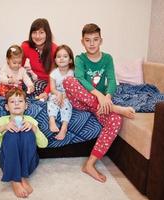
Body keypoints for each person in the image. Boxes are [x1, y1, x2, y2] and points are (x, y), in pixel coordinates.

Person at [63, 23, 135, 183]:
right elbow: (80, 79)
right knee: (69, 81)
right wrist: (100, 97)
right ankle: (115, 108)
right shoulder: (80, 59)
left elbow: (112, 80)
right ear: (82, 42)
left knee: (116, 119)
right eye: (88, 40)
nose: (92, 43)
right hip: (82, 101)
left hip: (102, 105)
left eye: (95, 40)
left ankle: (90, 164)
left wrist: (107, 97)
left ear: (101, 40)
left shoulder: (108, 58)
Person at [0, 88, 48, 198]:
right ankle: (15, 179)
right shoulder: (1, 121)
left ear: (26, 105)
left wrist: (33, 128)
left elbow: (44, 144)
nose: (16, 104)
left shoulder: (30, 120)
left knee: (27, 132)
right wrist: (3, 128)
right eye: (12, 101)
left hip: (29, 161)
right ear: (7, 107)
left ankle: (23, 176)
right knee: (11, 134)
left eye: (20, 101)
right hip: (8, 162)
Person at [21, 18, 58, 100]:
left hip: (49, 82)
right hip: (31, 78)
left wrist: (46, 92)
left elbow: (54, 76)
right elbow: (19, 67)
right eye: (34, 32)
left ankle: (30, 98)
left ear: (47, 34)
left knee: (37, 86)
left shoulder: (54, 49)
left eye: (41, 32)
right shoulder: (25, 46)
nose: (37, 36)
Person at [47, 45, 74, 140]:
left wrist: (63, 96)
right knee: (52, 101)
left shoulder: (72, 73)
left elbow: (72, 89)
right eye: (58, 56)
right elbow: (52, 89)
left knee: (66, 104)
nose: (61, 58)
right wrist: (58, 94)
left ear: (70, 60)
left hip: (68, 95)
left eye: (65, 56)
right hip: (56, 93)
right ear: (55, 60)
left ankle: (64, 127)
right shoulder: (53, 73)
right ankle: (52, 120)